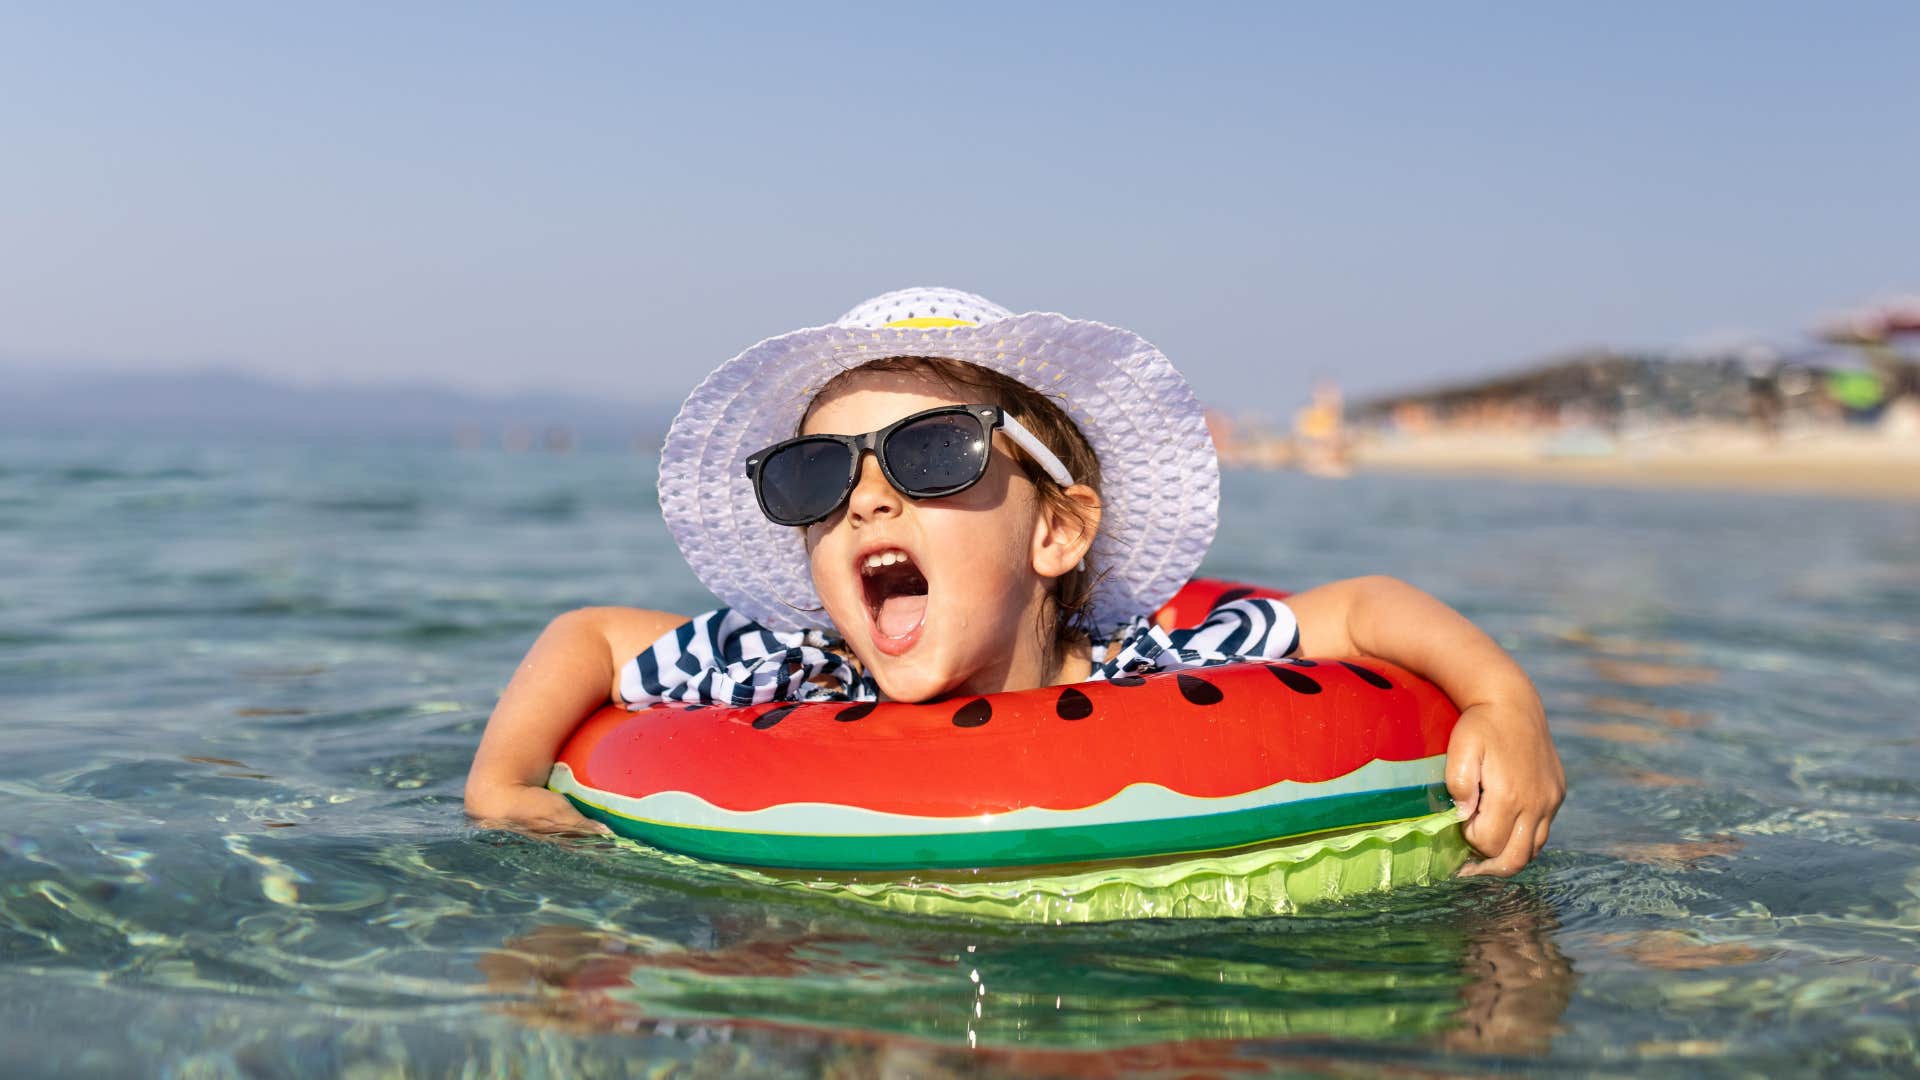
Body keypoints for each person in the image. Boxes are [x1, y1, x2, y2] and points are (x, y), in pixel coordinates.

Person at [465, 288, 1564, 877]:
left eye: (930, 455)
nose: (867, 499)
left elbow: (1365, 606)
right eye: (818, 473)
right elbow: (594, 640)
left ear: (1057, 532)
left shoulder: (1161, 660)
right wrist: (501, 785)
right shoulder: (787, 668)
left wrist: (1502, 705)